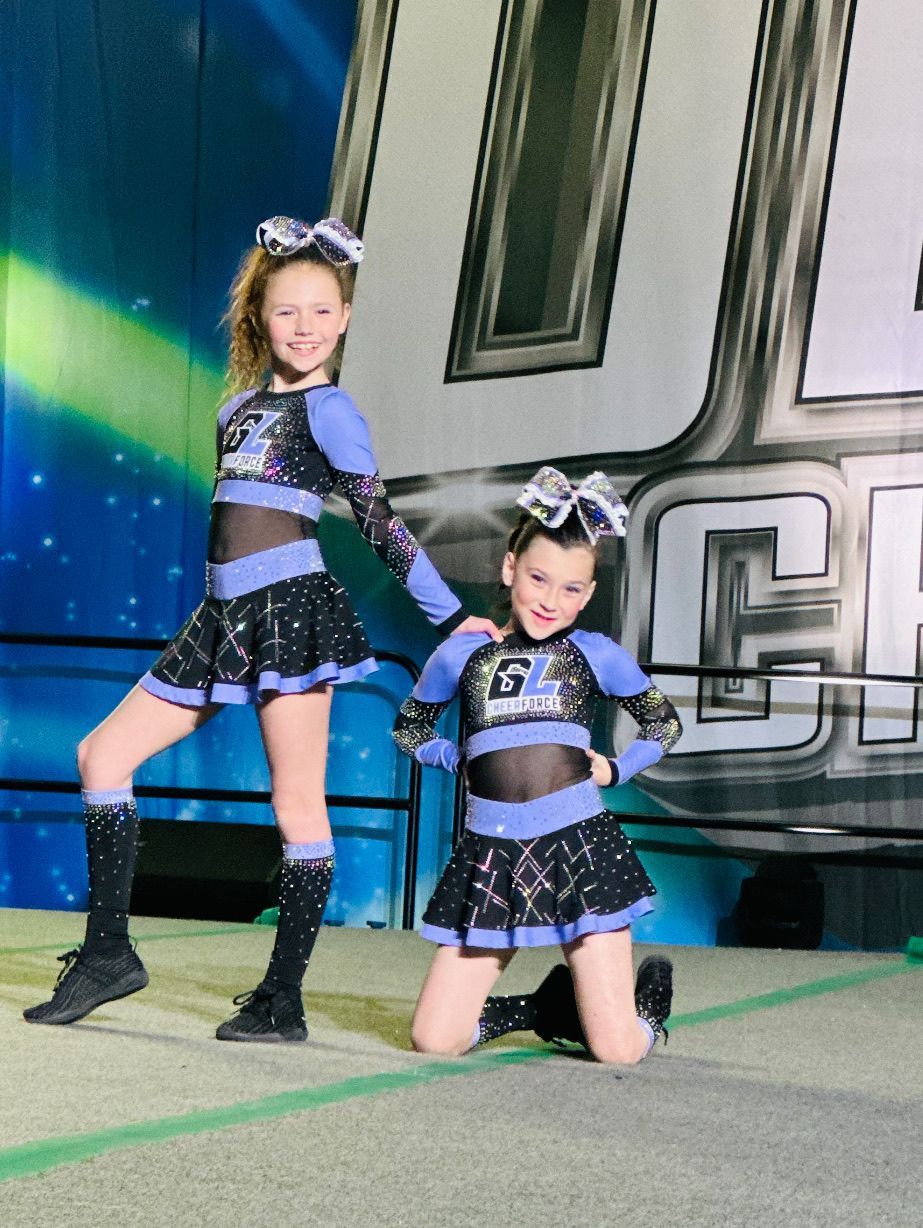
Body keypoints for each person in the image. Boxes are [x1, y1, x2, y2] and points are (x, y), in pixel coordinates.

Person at [24, 214, 499, 1042]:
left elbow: (380, 525)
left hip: (290, 615)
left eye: (322, 310)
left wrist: (452, 619)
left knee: (296, 801)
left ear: (345, 317)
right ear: (259, 319)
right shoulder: (235, 411)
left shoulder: (332, 411)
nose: (306, 327)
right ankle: (107, 954)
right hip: (219, 618)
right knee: (101, 755)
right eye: (287, 312)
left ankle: (282, 997)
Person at [392, 466, 682, 1064]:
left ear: (590, 594)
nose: (551, 601)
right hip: (493, 854)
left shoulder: (595, 654)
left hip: (580, 850)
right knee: (434, 1040)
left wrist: (617, 769)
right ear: (509, 569)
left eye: (572, 589)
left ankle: (647, 1005)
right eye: (538, 579)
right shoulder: (465, 653)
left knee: (618, 1050)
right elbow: (409, 729)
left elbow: (665, 724)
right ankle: (534, 1009)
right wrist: (456, 755)